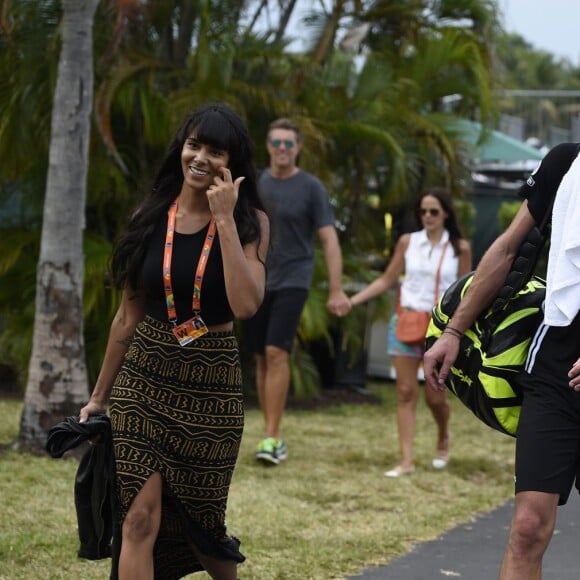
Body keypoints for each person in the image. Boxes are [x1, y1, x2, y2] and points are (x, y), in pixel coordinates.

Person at [79, 102, 269, 580]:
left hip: (211, 382)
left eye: (216, 150)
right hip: (144, 377)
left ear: (234, 162)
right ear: (181, 149)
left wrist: (223, 219)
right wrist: (99, 398)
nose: (202, 157)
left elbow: (246, 304)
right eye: (194, 145)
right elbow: (127, 314)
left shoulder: (251, 222)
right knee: (138, 518)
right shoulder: (151, 216)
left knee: (205, 532)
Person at [423, 143, 580, 579]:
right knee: (528, 527)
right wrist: (454, 331)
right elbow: (509, 248)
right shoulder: (566, 163)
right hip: (554, 365)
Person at [243, 118, 351, 466]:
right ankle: (268, 429)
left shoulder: (311, 188)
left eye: (289, 143)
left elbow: (329, 240)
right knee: (261, 356)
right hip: (258, 280)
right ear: (268, 145)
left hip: (294, 278)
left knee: (277, 352)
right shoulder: (256, 183)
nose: (283, 149)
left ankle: (273, 437)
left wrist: (336, 289)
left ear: (298, 147)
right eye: (277, 142)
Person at [346, 188, 471, 477]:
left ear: (446, 214)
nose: (427, 216)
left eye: (434, 211)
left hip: (439, 327)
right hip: (405, 321)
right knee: (404, 391)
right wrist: (353, 301)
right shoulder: (408, 242)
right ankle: (406, 460)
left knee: (436, 397)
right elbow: (387, 279)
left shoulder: (459, 248)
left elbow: (468, 290)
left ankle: (443, 437)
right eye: (423, 211)